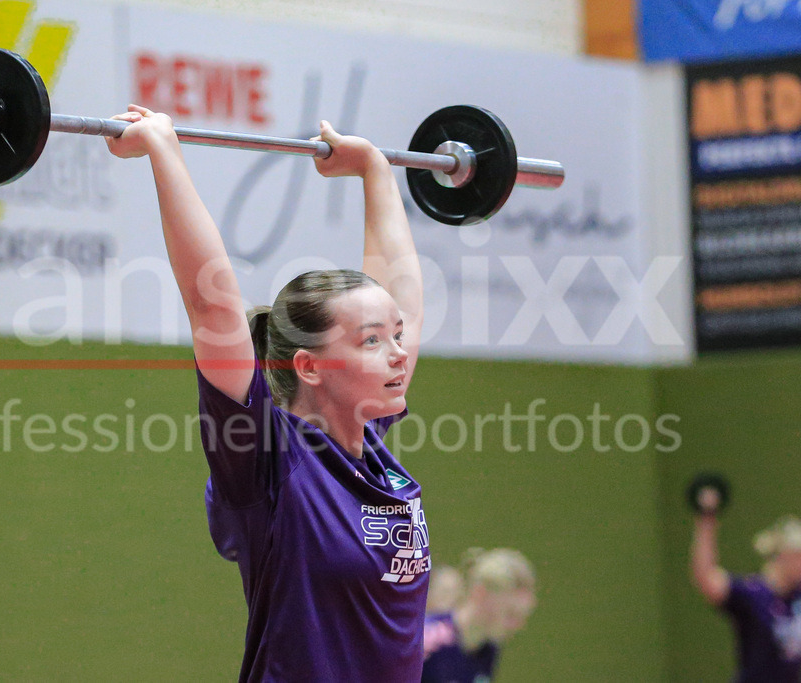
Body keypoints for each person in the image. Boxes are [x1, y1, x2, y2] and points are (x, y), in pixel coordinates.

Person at [105, 105, 428, 681]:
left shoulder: (370, 447)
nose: (399, 352)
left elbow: (402, 293)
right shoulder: (268, 461)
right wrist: (162, 148)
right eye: (372, 340)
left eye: (397, 336)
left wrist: (375, 171)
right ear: (310, 366)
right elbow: (211, 306)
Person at [691, 496, 801, 683]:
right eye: (798, 557)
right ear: (782, 557)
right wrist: (707, 520)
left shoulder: (797, 596)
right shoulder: (754, 594)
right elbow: (706, 577)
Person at [422, 548, 537, 683]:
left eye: (522, 617)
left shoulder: (488, 649)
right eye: (510, 614)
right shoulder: (429, 640)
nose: (517, 626)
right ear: (481, 593)